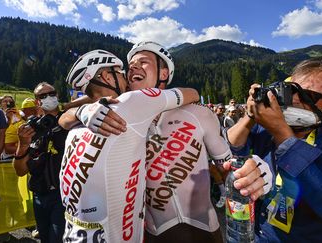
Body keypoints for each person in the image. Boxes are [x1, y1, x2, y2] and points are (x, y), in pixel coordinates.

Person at [72, 42, 272, 243]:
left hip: (203, 232)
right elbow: (63, 117)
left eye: (143, 62)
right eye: (130, 64)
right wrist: (81, 111)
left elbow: (228, 167)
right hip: (150, 233)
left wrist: (252, 171)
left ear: (164, 73)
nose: (133, 67)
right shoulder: (120, 115)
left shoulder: (198, 113)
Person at [59, 49, 199, 243]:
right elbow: (192, 93)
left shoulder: (76, 127)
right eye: (119, 72)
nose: (126, 75)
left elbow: (63, 117)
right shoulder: (134, 101)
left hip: (73, 233)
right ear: (108, 77)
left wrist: (79, 110)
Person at [227, 56, 322, 242]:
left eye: (310, 96)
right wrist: (251, 115)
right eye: (293, 90)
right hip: (256, 233)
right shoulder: (268, 122)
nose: (295, 100)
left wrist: (282, 134)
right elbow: (234, 146)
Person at [13, 82, 67, 242]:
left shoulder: (71, 120)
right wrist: (23, 144)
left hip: (63, 195)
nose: (48, 97)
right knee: (44, 237)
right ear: (37, 101)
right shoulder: (32, 128)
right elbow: (20, 170)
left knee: (57, 238)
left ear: (57, 95)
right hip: (40, 195)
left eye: (52, 93)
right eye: (43, 96)